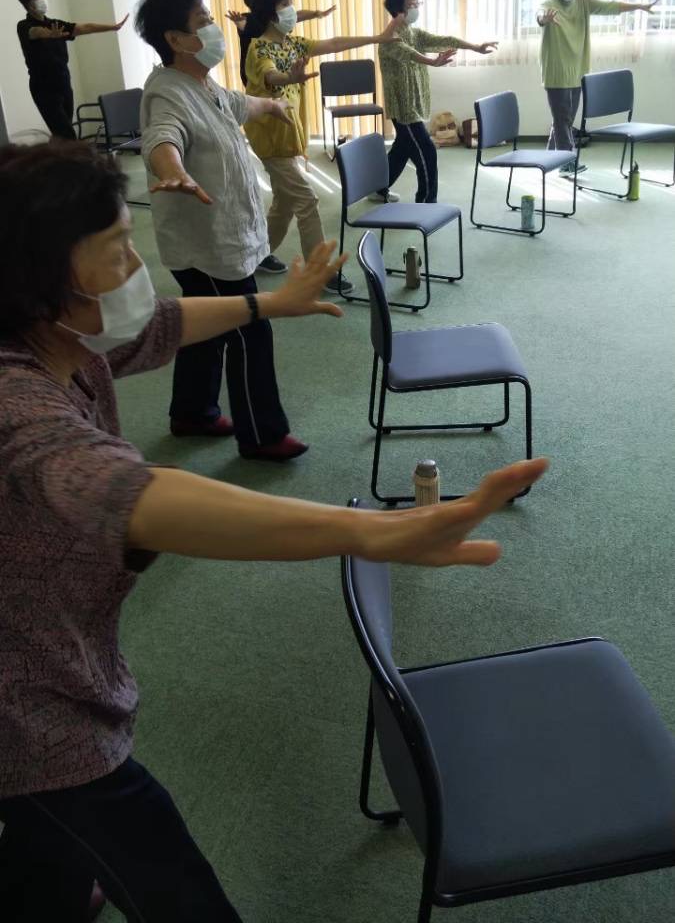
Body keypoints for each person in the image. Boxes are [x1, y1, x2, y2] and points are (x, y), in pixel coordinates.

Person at [0, 138, 547, 923]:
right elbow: (128, 492)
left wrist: (267, 304)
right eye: (118, 247)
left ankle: (42, 891)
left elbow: (156, 325)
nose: (137, 264)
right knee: (154, 864)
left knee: (44, 836)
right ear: (39, 279)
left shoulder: (55, 340)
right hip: (26, 706)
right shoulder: (15, 402)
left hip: (54, 642)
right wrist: (364, 533)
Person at [136, 0, 313, 461]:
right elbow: (162, 137)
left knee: (205, 325)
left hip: (221, 238)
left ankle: (192, 413)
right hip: (206, 245)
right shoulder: (167, 92)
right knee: (249, 326)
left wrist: (272, 104)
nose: (215, 27)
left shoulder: (202, 83)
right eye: (204, 20)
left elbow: (238, 104)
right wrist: (172, 170)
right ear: (176, 39)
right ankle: (262, 435)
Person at [244, 0, 403, 287]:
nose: (292, 9)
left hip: (289, 135)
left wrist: (378, 38)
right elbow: (269, 74)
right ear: (270, 13)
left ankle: (259, 254)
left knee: (285, 202)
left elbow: (333, 43)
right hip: (270, 139)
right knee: (306, 200)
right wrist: (288, 77)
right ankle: (320, 272)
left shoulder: (292, 43)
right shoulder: (258, 47)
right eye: (285, 3)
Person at [537, 0, 660, 178]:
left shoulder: (583, 2)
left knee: (564, 120)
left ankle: (548, 159)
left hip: (577, 71)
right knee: (562, 119)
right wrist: (544, 19)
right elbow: (540, 15)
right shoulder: (549, 4)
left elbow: (611, 6)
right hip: (556, 72)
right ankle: (566, 163)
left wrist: (640, 6)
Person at [378, 0, 498, 203]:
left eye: (418, 2)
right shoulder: (389, 38)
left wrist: (475, 47)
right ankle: (426, 202)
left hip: (415, 104)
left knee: (402, 149)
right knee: (426, 152)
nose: (417, 7)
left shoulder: (413, 33)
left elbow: (445, 41)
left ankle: (378, 187)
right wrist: (431, 61)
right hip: (404, 111)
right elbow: (408, 53)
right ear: (398, 8)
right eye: (412, 3)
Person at [16, 0, 129, 141]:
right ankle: (71, 156)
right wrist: (49, 34)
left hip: (63, 82)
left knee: (62, 133)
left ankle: (54, 156)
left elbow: (84, 27)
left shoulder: (55, 24)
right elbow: (35, 32)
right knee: (67, 134)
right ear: (27, 3)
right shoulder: (23, 26)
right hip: (43, 87)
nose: (43, 0)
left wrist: (113, 27)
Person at [226, 0, 336, 88]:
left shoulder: (277, 18)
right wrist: (239, 22)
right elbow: (244, 25)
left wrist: (316, 14)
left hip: (281, 70)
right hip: (257, 73)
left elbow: (297, 15)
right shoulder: (252, 21)